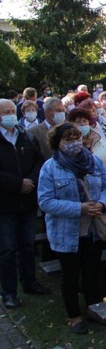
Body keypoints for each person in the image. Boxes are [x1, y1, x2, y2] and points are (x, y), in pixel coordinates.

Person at [38, 123, 106, 332]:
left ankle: (94, 308)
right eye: (68, 139)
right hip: (66, 232)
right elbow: (45, 201)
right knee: (70, 275)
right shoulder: (50, 168)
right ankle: (74, 316)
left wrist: (102, 203)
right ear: (58, 143)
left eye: (77, 138)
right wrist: (78, 208)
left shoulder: (93, 162)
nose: (74, 143)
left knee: (92, 271)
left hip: (93, 229)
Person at [0, 99, 48, 310]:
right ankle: (9, 292)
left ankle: (30, 283)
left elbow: (39, 161)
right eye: (5, 112)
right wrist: (17, 183)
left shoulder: (25, 136)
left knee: (27, 246)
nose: (10, 114)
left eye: (12, 111)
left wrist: (30, 181)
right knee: (7, 249)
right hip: (5, 204)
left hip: (28, 201)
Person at [68, 107, 106, 176]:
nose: (82, 124)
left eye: (84, 121)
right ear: (71, 124)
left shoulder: (99, 141)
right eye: (78, 122)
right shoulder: (68, 144)